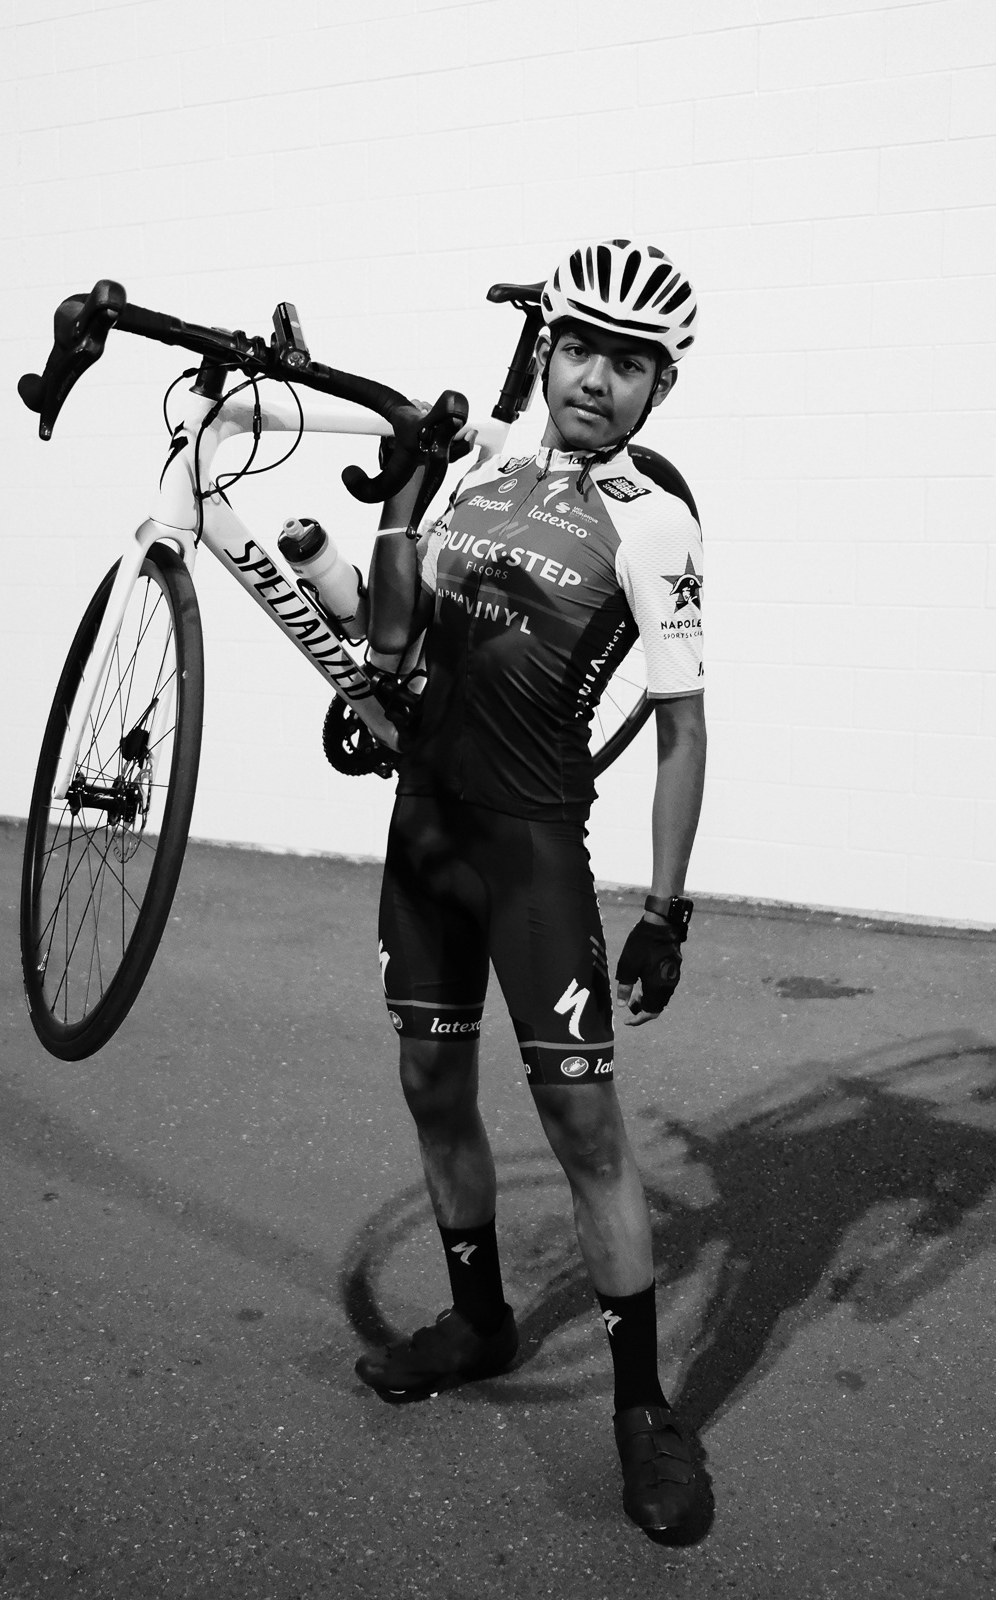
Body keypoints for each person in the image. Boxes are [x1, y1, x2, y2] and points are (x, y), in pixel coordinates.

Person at [355, 239, 709, 1538]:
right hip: (423, 836)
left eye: (630, 364)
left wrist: (665, 910)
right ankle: (480, 1320)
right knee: (431, 1085)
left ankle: (643, 1411)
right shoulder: (484, 468)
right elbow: (394, 632)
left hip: (531, 855)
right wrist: (393, 503)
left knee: (583, 1130)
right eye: (580, 350)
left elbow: (682, 727)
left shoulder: (653, 518)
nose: (597, 379)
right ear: (546, 351)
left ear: (660, 387)